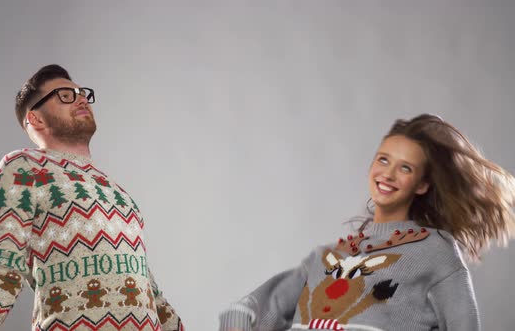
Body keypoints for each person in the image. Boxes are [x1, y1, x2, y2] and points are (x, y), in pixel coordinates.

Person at [219, 114, 515, 331]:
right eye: (383, 160)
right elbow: (249, 313)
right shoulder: (324, 257)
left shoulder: (435, 250)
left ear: (422, 185)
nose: (387, 174)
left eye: (405, 168)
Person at [0, 64, 184, 331]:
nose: (81, 98)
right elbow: (2, 267)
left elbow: (151, 293)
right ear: (36, 119)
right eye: (65, 95)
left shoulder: (118, 193)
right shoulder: (23, 167)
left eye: (81, 93)